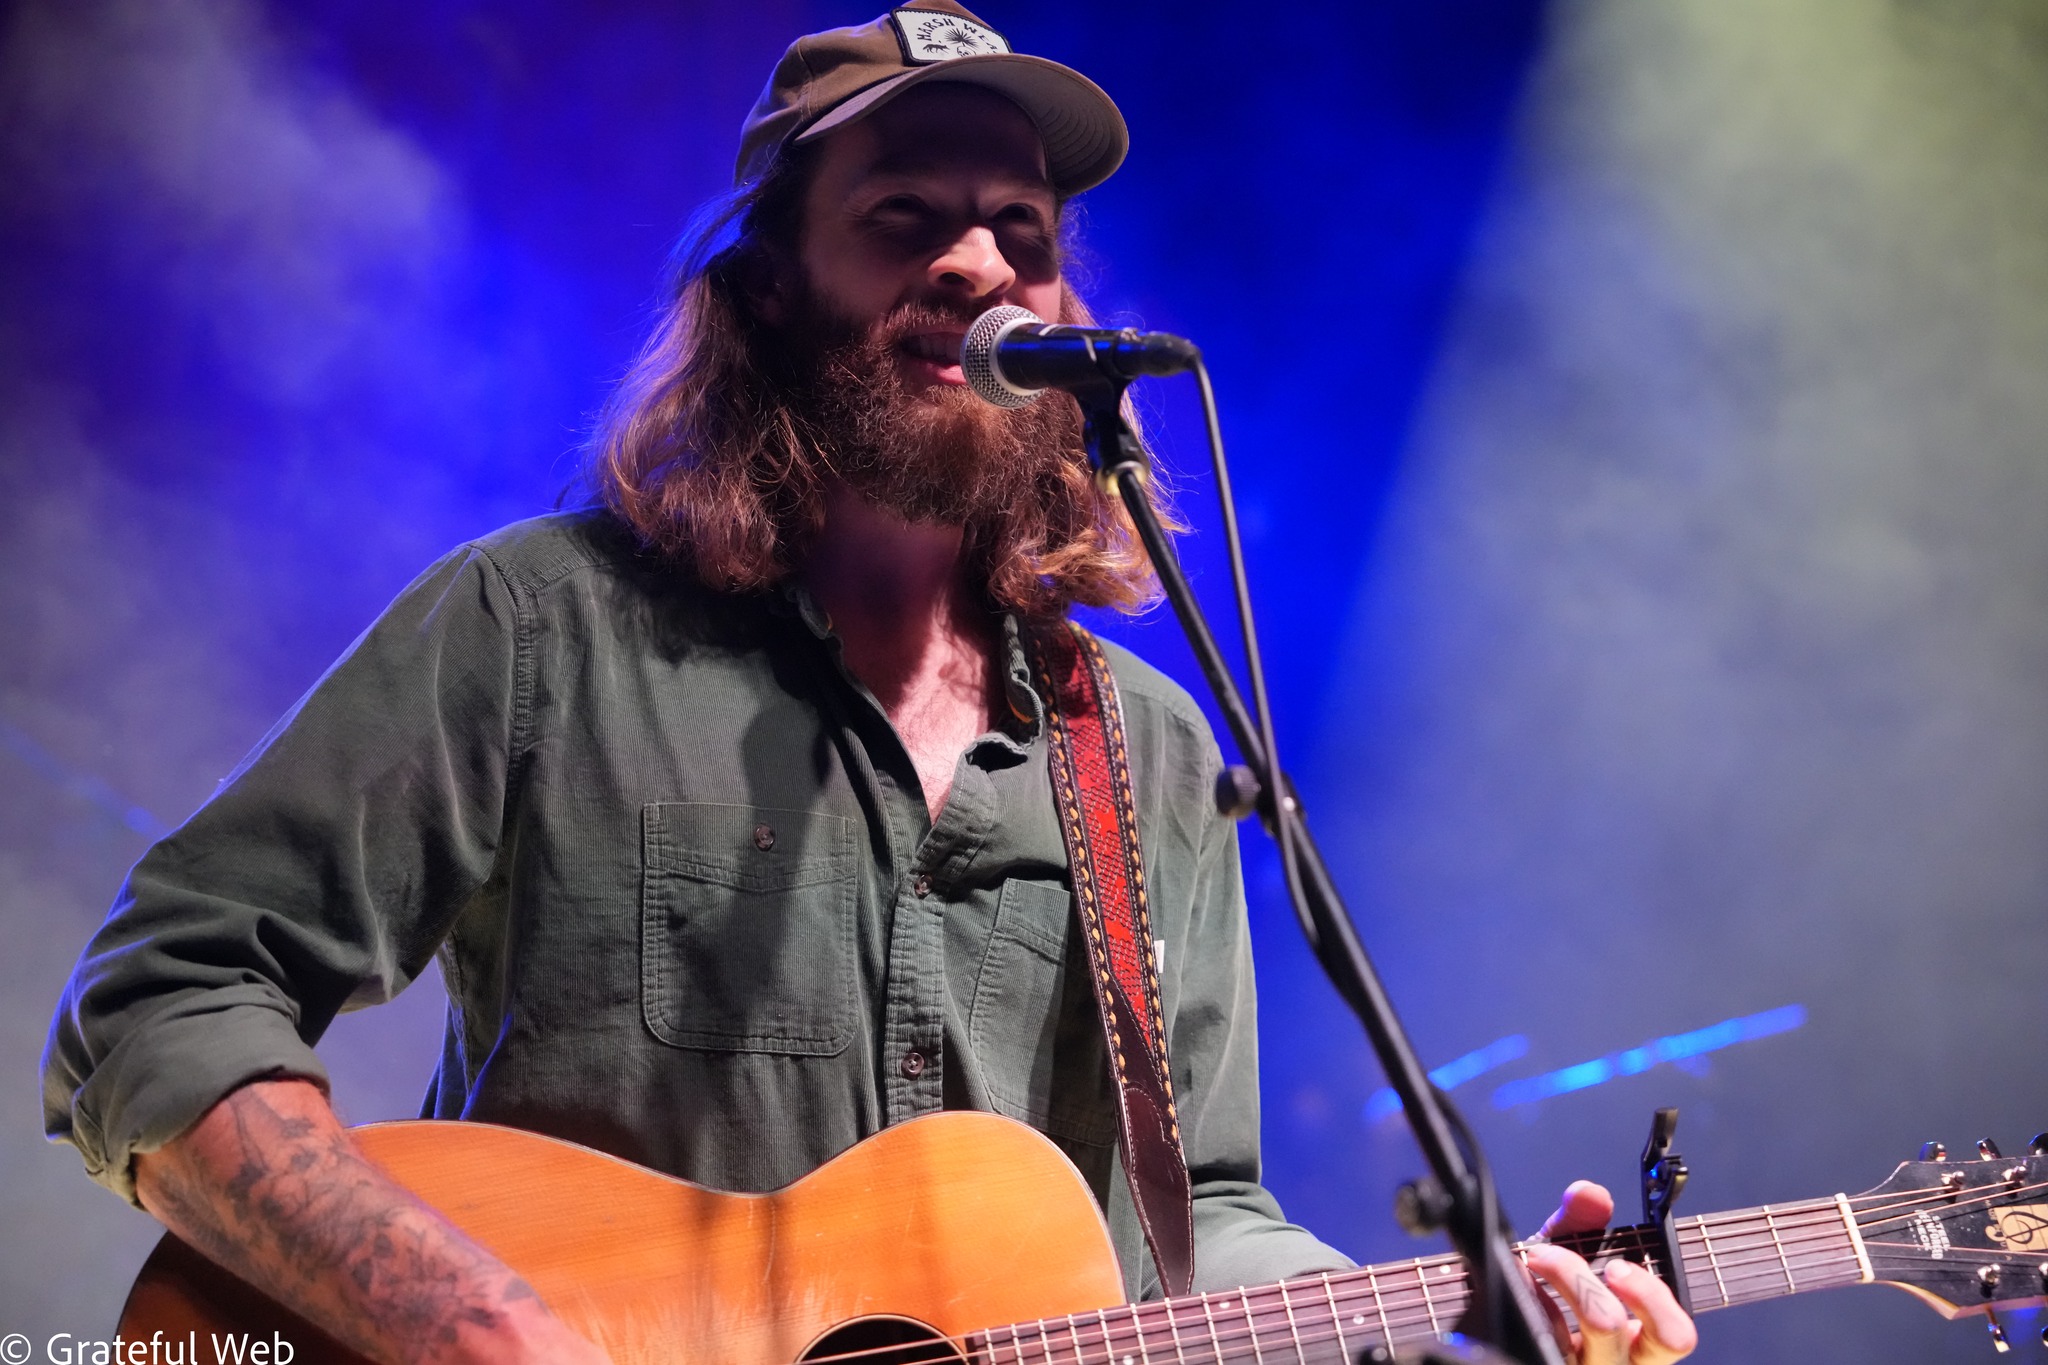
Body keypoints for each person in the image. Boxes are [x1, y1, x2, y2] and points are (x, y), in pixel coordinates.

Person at [42, 6, 1697, 1364]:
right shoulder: (540, 628)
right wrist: (469, 1318)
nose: (979, 262)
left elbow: (1196, 1221)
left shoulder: (1149, 749)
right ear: (767, 288)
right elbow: (163, 998)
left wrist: (1459, 1320)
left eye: (1022, 232)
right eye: (907, 216)